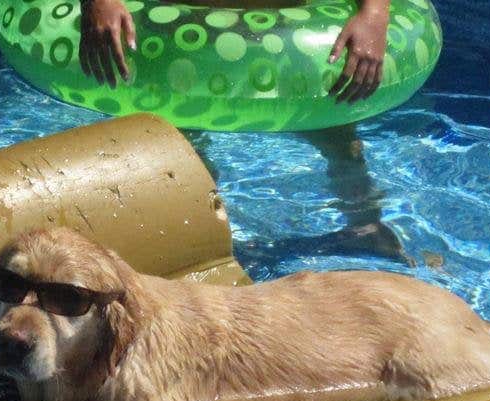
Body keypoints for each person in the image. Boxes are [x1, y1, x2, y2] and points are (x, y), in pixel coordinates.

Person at [78, 0, 410, 263]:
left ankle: (365, 223)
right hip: (180, 32)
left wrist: (374, 14)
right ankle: (194, 244)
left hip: (285, 30)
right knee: (178, 143)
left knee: (335, 129)